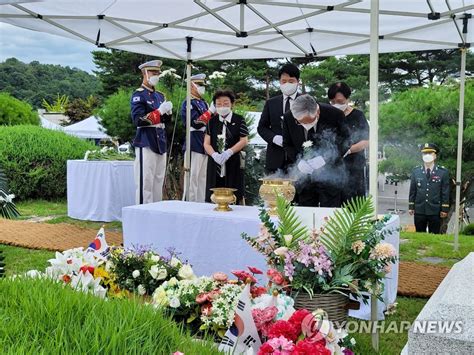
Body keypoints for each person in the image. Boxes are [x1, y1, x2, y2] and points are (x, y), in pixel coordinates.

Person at [283, 94, 350, 207]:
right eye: (300, 122)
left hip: (331, 176)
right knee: (306, 214)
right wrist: (299, 161)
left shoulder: (335, 114)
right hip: (305, 178)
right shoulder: (289, 117)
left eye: (308, 121)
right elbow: (287, 144)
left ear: (317, 113)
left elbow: (346, 141)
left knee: (330, 216)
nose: (304, 125)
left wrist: (325, 159)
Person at [130, 60, 173, 204]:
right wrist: (159, 111)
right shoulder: (139, 95)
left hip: (160, 140)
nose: (157, 76)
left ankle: (155, 212)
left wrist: (168, 113)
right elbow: (138, 120)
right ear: (145, 73)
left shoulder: (160, 96)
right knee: (145, 182)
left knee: (158, 180)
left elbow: (165, 121)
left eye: (158, 73)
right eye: (154, 73)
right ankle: (142, 214)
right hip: (146, 140)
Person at [204, 89, 249, 204]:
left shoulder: (239, 120)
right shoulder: (212, 122)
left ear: (232, 104)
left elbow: (244, 140)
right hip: (215, 164)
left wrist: (229, 152)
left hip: (232, 162)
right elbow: (206, 143)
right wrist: (214, 154)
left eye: (225, 103)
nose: (222, 106)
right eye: (218, 104)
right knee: (213, 194)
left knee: (233, 194)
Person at [327, 82, 369, 203]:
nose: (336, 105)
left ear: (347, 99)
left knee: (353, 203)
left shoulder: (358, 115)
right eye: (333, 102)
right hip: (332, 167)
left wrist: (350, 150)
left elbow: (366, 140)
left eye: (340, 102)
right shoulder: (327, 115)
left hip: (354, 166)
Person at [258, 63, 301, 174]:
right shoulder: (271, 103)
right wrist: (274, 138)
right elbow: (262, 127)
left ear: (298, 82)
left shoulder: (305, 101)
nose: (287, 84)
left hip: (299, 160)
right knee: (274, 190)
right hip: (275, 159)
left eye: (291, 81)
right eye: (284, 81)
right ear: (279, 82)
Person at [180, 73, 216, 202]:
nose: (202, 88)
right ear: (191, 85)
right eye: (199, 85)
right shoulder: (188, 103)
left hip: (204, 143)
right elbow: (194, 123)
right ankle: (190, 204)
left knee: (202, 178)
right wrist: (210, 112)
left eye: (203, 85)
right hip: (193, 143)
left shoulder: (203, 103)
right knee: (192, 178)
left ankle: (200, 204)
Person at [409, 143, 450, 234]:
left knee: (434, 235)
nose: (427, 156)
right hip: (420, 209)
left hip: (435, 210)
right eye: (424, 153)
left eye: (430, 153)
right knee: (419, 235)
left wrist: (444, 209)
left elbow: (445, 192)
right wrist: (411, 206)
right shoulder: (416, 171)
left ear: (435, 156)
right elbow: (413, 190)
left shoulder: (443, 172)